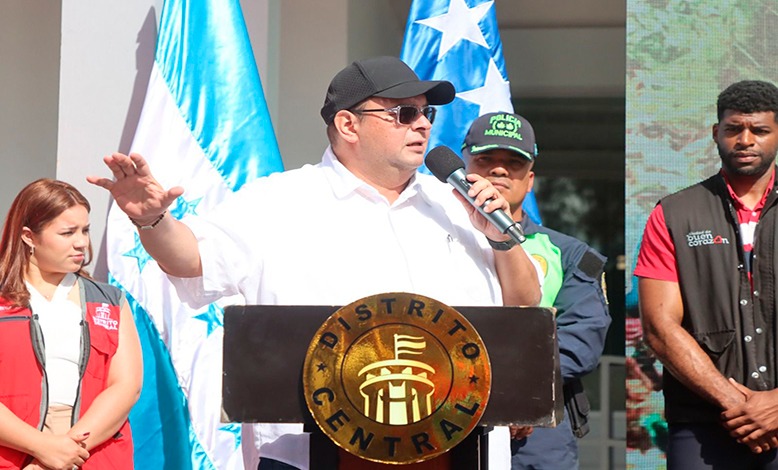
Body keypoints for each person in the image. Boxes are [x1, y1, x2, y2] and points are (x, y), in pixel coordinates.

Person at [88, 56, 542, 470]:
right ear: (348, 124)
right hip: (313, 454)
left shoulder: (458, 203)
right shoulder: (279, 201)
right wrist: (153, 219)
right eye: (404, 113)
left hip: (456, 451)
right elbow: (190, 258)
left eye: (427, 113)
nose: (422, 124)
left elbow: (525, 303)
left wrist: (503, 239)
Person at [635, 79, 778, 469]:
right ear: (716, 133)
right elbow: (659, 328)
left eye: (760, 130)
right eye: (734, 129)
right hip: (704, 425)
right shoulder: (674, 214)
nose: (746, 139)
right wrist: (738, 405)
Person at [462, 112, 611, 469]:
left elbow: (582, 340)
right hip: (453, 415)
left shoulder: (570, 253)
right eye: (486, 160)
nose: (499, 171)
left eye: (513, 163)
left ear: (529, 181)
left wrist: (517, 395)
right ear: (464, 163)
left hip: (537, 428)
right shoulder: (432, 238)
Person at [0, 179, 143, 470]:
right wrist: (41, 447)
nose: (81, 242)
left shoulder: (110, 300)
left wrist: (65, 451)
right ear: (29, 236)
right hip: (13, 450)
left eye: (85, 230)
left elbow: (127, 386)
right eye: (67, 232)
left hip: (90, 451)